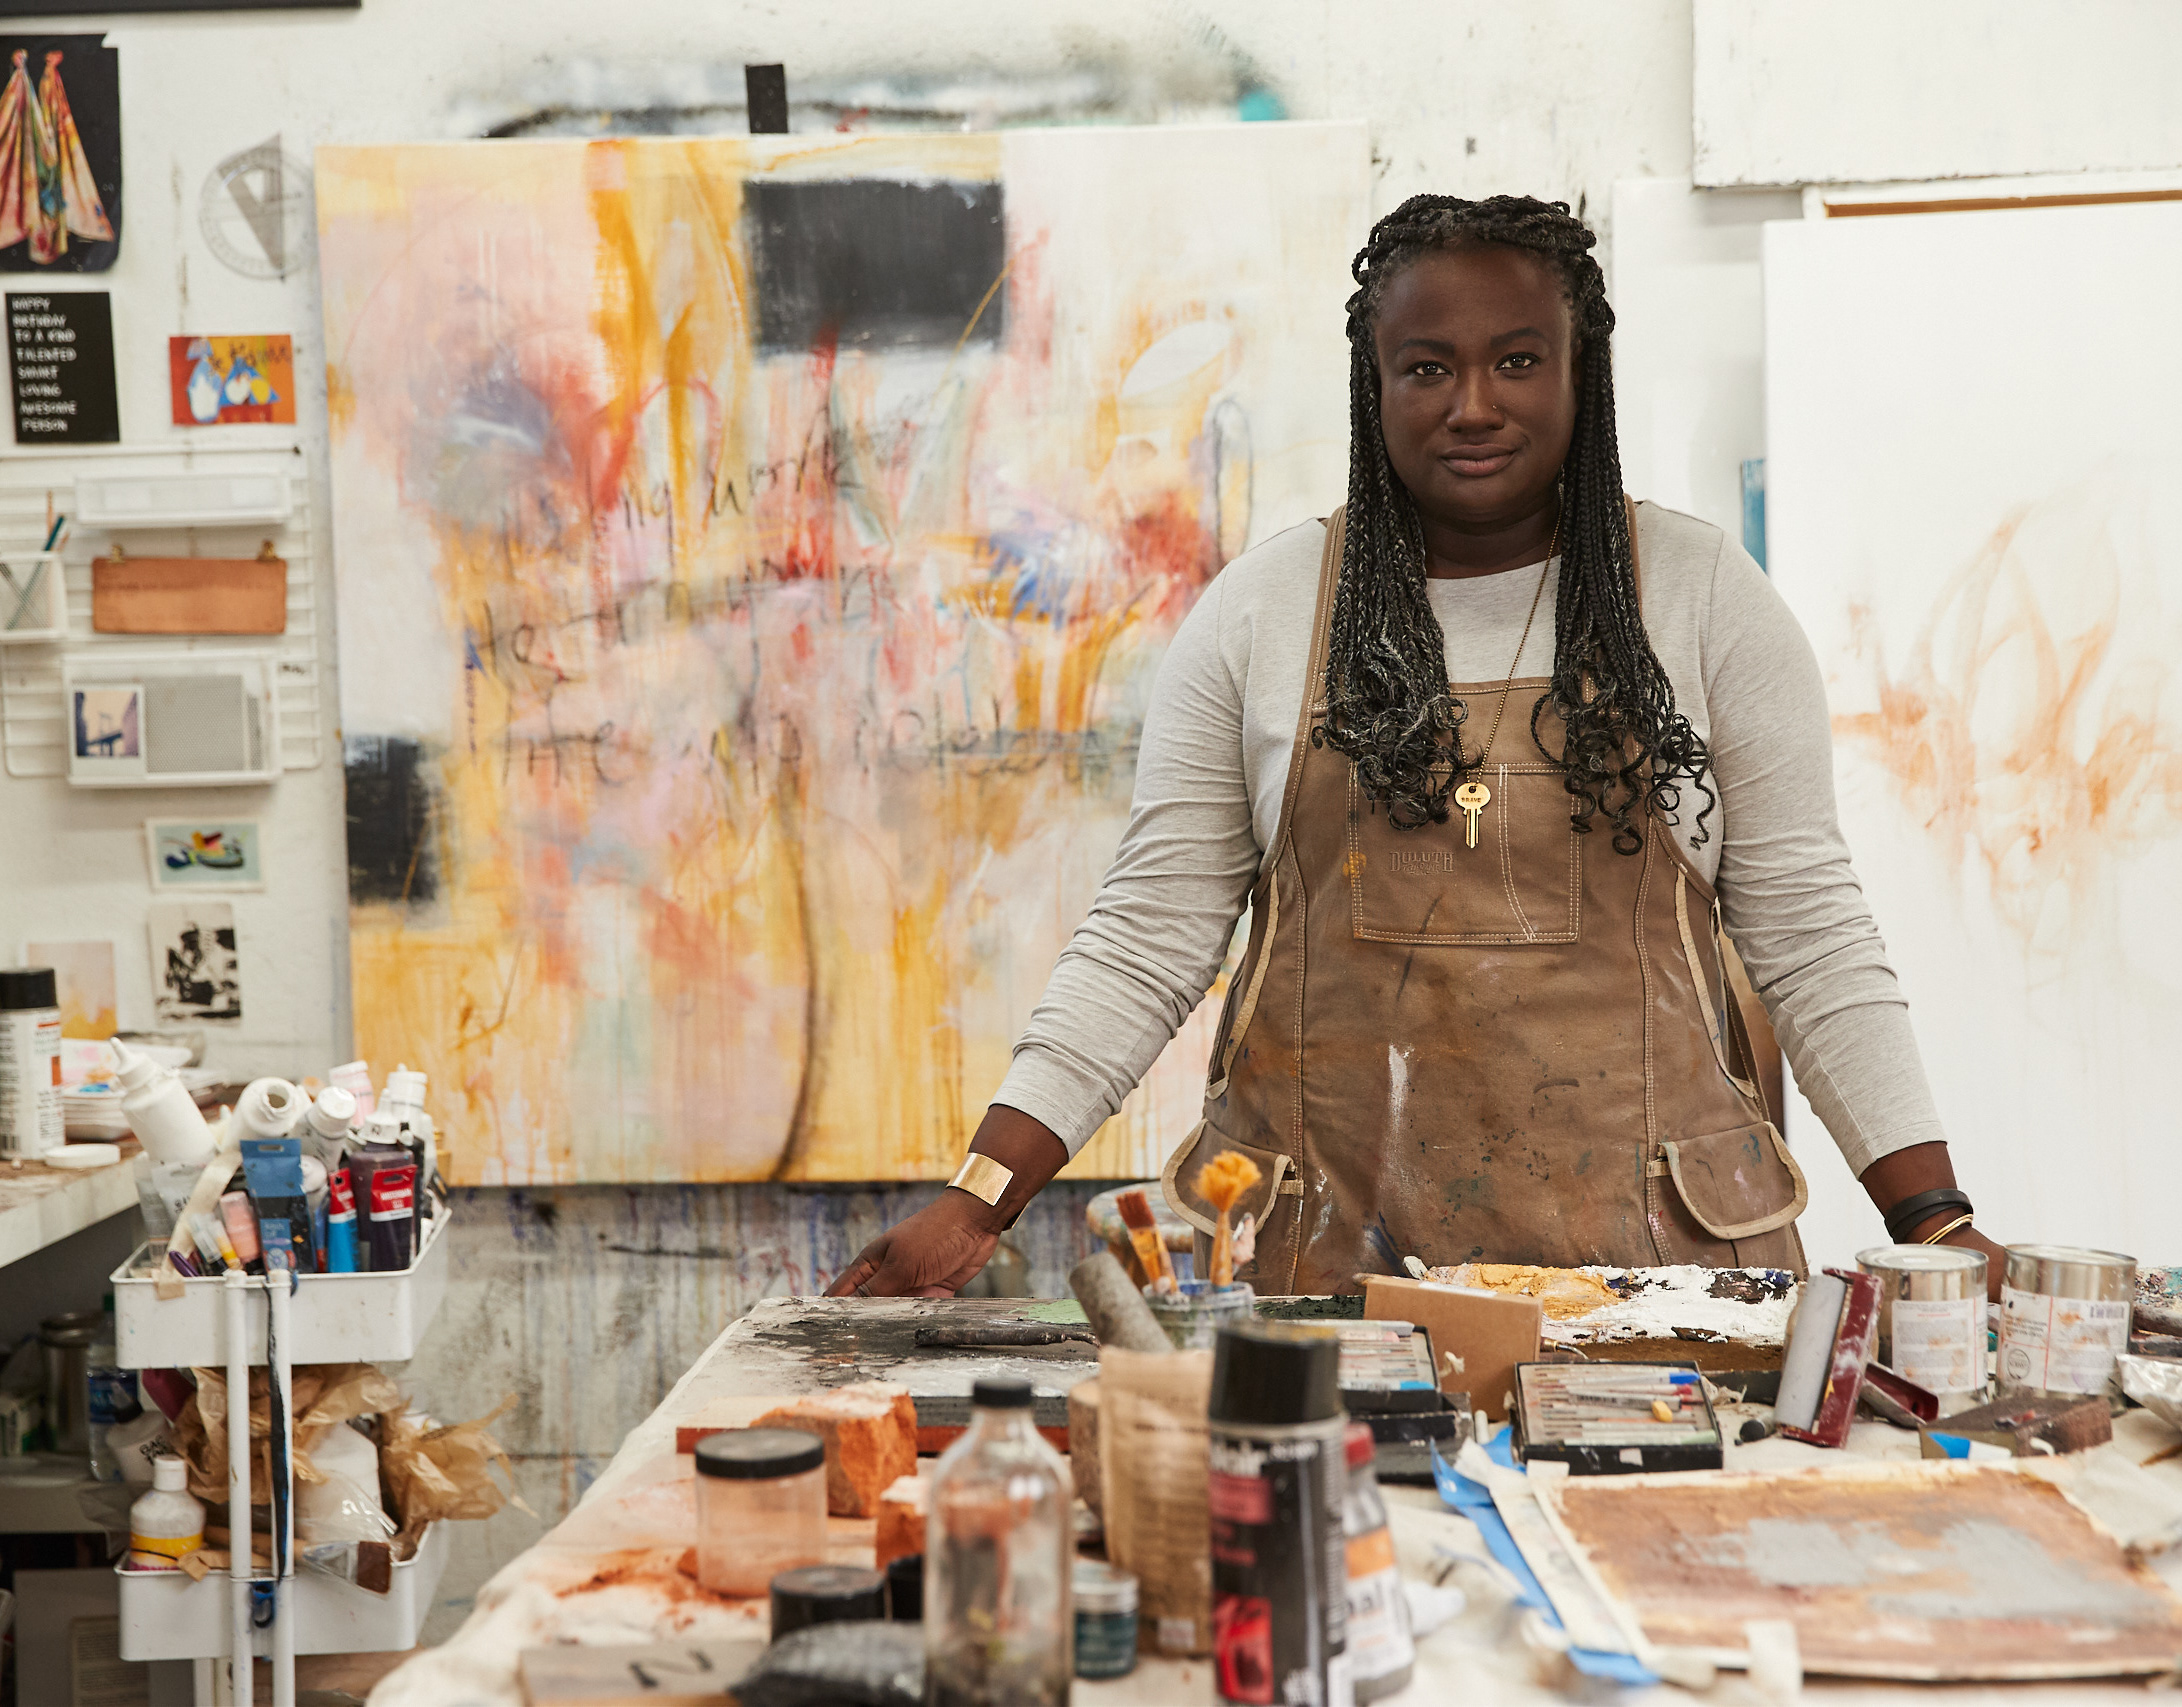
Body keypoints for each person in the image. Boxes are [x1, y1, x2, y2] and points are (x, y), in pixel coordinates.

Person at [829, 193, 2001, 1300]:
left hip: (1658, 1286)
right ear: (1374, 385)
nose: (1473, 404)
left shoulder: (1703, 600)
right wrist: (980, 1198)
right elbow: (1146, 938)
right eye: (1427, 367)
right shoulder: (1261, 614)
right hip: (1330, 1284)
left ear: (1579, 374)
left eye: (1518, 360)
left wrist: (1933, 1221)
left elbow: (1811, 937)